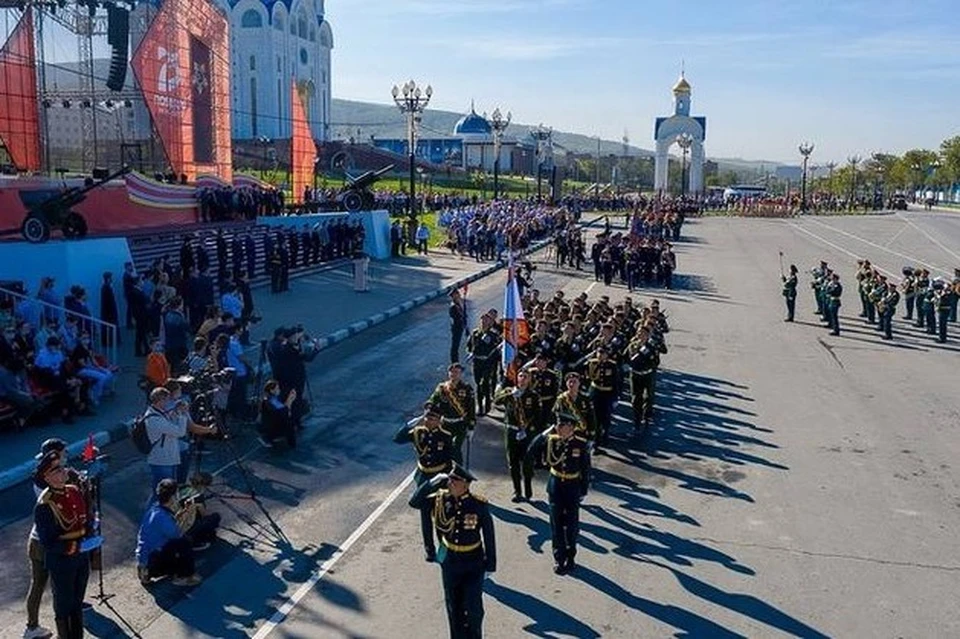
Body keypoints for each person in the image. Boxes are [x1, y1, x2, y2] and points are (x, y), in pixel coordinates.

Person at [409, 463, 495, 639]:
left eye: (454, 481)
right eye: (449, 480)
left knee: (473, 609)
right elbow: (414, 502)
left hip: (473, 562)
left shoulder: (478, 505)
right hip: (450, 561)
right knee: (453, 607)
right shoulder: (440, 500)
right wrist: (432, 482)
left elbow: (489, 536)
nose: (450, 484)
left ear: (465, 484)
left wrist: (491, 565)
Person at [33, 451, 100, 639]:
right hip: (62, 562)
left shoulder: (73, 491)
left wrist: (91, 530)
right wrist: (75, 548)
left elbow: (83, 518)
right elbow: (49, 542)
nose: (63, 472)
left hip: (81, 558)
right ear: (47, 477)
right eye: (56, 470)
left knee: (77, 603)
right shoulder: (45, 504)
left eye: (62, 467)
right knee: (64, 605)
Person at [525, 414, 589, 574]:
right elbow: (531, 449)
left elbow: (586, 469)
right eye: (558, 425)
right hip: (556, 487)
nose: (559, 428)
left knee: (572, 525)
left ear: (571, 428)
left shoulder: (580, 444)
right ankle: (559, 558)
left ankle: (571, 556)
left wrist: (583, 490)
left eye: (562, 426)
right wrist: (546, 432)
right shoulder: (551, 440)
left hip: (572, 487)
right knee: (556, 524)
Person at [393, 403, 455, 562]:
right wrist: (412, 422)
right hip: (423, 480)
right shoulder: (418, 432)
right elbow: (397, 439)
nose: (427, 420)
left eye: (431, 418)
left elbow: (452, 460)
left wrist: (450, 480)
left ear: (439, 420)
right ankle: (429, 549)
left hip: (439, 479)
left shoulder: (445, 436)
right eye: (426, 416)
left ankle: (444, 546)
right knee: (425, 516)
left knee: (441, 517)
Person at [136, 479, 219, 587]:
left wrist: (184, 510)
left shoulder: (155, 508)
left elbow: (172, 522)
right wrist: (190, 512)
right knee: (185, 543)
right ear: (172, 497)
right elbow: (179, 533)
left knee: (176, 544)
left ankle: (146, 571)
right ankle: (184, 576)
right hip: (156, 558)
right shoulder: (163, 518)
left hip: (145, 554)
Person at [493, 370, 540, 502]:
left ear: (529, 379)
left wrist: (530, 429)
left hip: (527, 432)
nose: (523, 379)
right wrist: (509, 395)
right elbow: (496, 401)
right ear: (517, 378)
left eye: (526, 377)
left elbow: (538, 415)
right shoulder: (509, 391)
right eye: (521, 376)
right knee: (513, 462)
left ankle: (528, 489)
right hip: (512, 431)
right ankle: (517, 491)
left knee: (527, 461)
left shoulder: (533, 395)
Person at [427, 363, 476, 464]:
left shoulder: (466, 388)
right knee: (443, 447)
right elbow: (433, 401)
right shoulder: (442, 388)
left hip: (460, 424)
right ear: (448, 373)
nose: (454, 374)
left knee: (455, 448)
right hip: (445, 423)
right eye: (452, 372)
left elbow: (471, 409)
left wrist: (471, 427)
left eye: (457, 372)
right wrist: (429, 407)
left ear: (461, 374)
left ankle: (459, 472)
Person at [466, 312, 500, 416]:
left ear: (490, 322)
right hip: (477, 362)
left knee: (484, 383)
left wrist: (492, 360)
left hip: (488, 363)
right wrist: (470, 353)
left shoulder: (493, 334)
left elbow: (496, 348)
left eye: (486, 320)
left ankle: (487, 405)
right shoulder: (475, 333)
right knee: (478, 384)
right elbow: (469, 346)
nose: (484, 322)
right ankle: (480, 406)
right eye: (482, 320)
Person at [258, 380, 297, 449]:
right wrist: (289, 401)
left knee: (289, 419)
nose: (279, 390)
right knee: (289, 424)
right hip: (272, 426)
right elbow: (282, 412)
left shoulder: (274, 398)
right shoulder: (269, 401)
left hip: (275, 421)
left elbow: (282, 409)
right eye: (277, 389)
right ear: (272, 390)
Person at [448, 289, 467, 364]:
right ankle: (454, 362)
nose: (458, 295)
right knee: (455, 346)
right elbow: (457, 318)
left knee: (456, 345)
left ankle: (456, 361)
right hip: (456, 328)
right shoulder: (453, 306)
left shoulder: (458, 304)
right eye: (456, 295)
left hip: (460, 327)